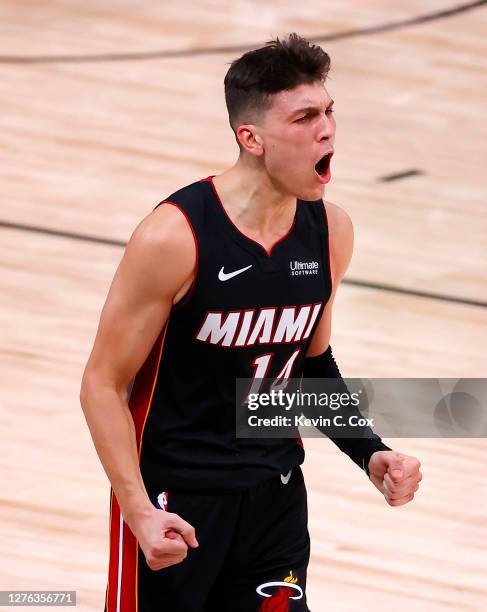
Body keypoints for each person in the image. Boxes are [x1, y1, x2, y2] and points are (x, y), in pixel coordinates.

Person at [80, 33, 422, 612]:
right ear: (252, 138)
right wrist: (137, 507)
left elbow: (310, 367)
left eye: (329, 111)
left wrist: (371, 452)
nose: (327, 130)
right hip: (176, 503)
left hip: (275, 500)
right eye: (305, 116)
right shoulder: (175, 236)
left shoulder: (330, 231)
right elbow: (102, 384)